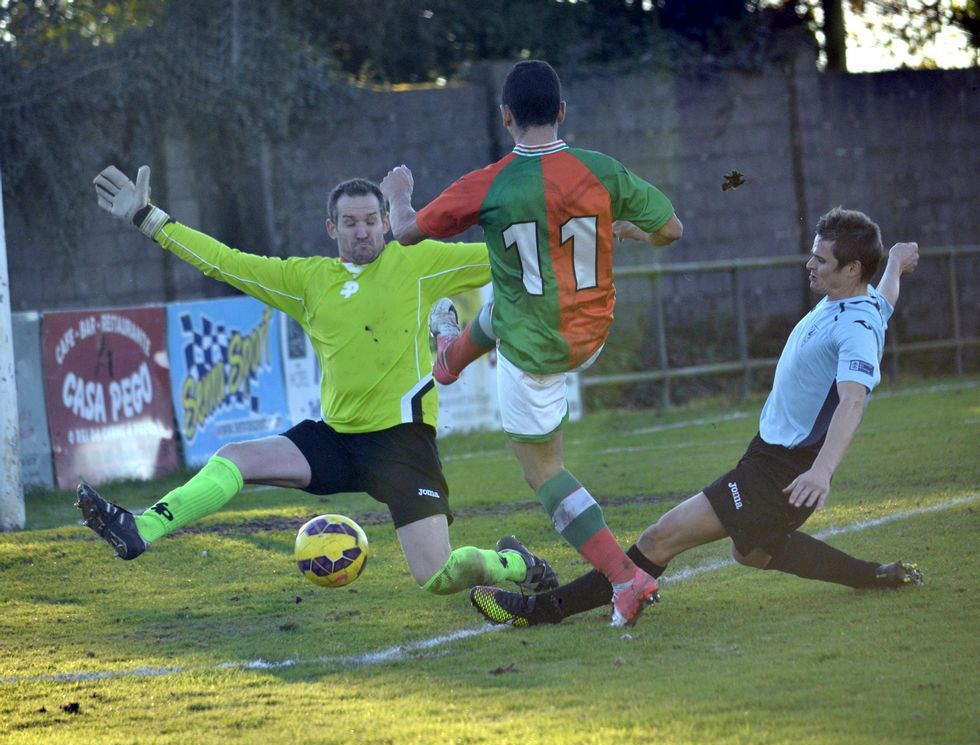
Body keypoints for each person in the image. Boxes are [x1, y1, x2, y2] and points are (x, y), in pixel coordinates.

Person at [79, 165, 559, 599]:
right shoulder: (307, 280)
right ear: (332, 228)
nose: (362, 230)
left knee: (436, 576)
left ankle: (515, 562)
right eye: (350, 222)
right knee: (234, 458)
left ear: (386, 223)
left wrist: (580, 226)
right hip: (336, 441)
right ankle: (142, 528)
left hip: (402, 444)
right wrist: (148, 217)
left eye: (371, 220)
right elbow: (223, 262)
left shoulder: (418, 263)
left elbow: (509, 253)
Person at [469, 208, 924, 627]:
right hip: (768, 458)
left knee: (659, 539)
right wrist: (895, 263)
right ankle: (875, 576)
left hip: (783, 474)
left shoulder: (857, 328)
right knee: (755, 552)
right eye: (812, 255)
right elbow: (884, 298)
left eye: (821, 260)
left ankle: (541, 610)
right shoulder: (862, 303)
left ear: (851, 270)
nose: (810, 265)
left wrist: (822, 472)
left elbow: (853, 401)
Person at [381, 59, 683, 626]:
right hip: (592, 332)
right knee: (504, 302)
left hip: (536, 354)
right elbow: (672, 230)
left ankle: (625, 579)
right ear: (563, 112)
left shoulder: (490, 182)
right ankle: (449, 361)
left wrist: (398, 193)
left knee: (543, 472)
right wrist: (628, 230)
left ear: (506, 117)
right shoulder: (602, 170)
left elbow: (403, 233)